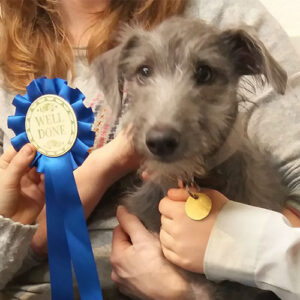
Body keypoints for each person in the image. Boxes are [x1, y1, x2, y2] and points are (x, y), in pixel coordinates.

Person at [0, 0, 300, 299]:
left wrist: (186, 293)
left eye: (204, 74)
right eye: (144, 72)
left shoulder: (222, 12)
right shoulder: (7, 49)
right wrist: (100, 169)